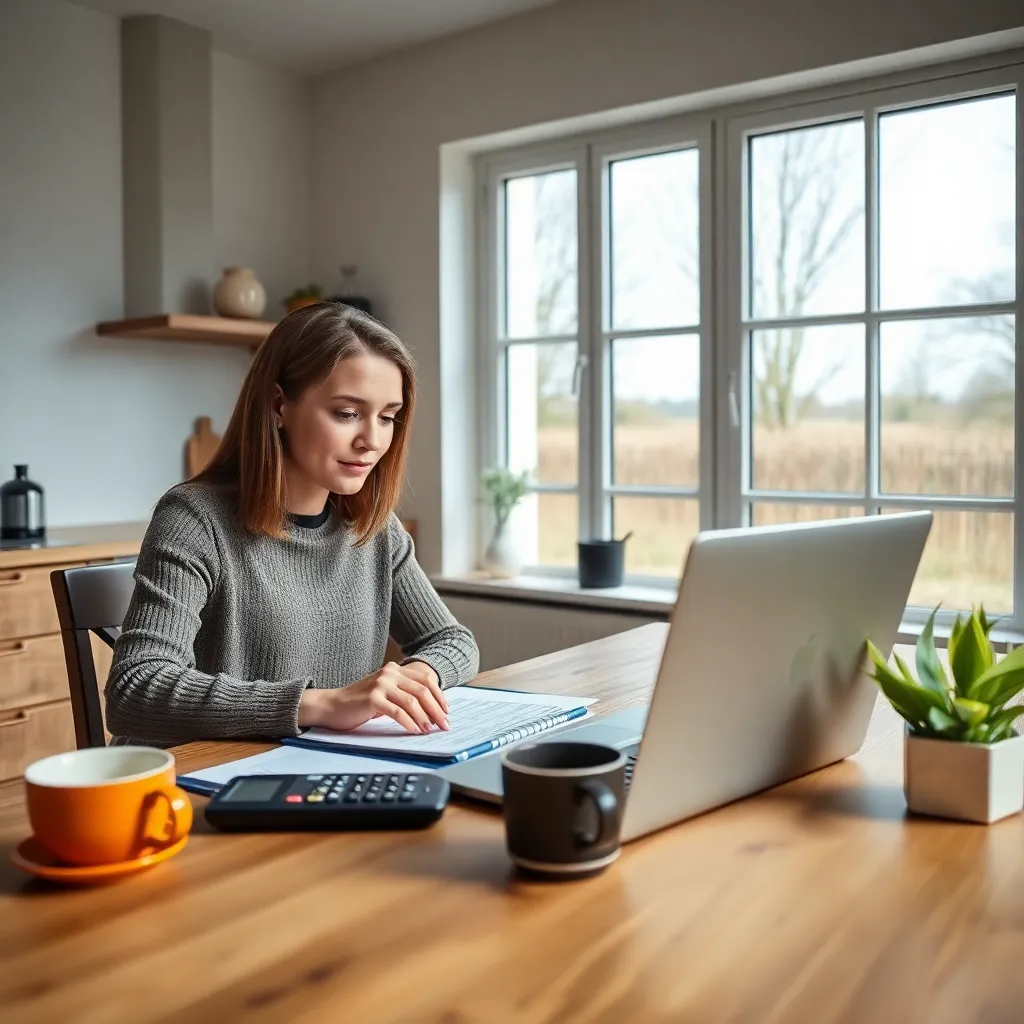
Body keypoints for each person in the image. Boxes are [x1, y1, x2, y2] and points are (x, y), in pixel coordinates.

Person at [106, 303, 479, 747]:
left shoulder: (375, 530)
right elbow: (135, 689)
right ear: (279, 404)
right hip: (195, 787)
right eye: (346, 413)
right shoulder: (194, 520)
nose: (373, 441)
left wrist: (414, 678)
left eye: (387, 417)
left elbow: (454, 642)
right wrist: (322, 704)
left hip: (311, 769)